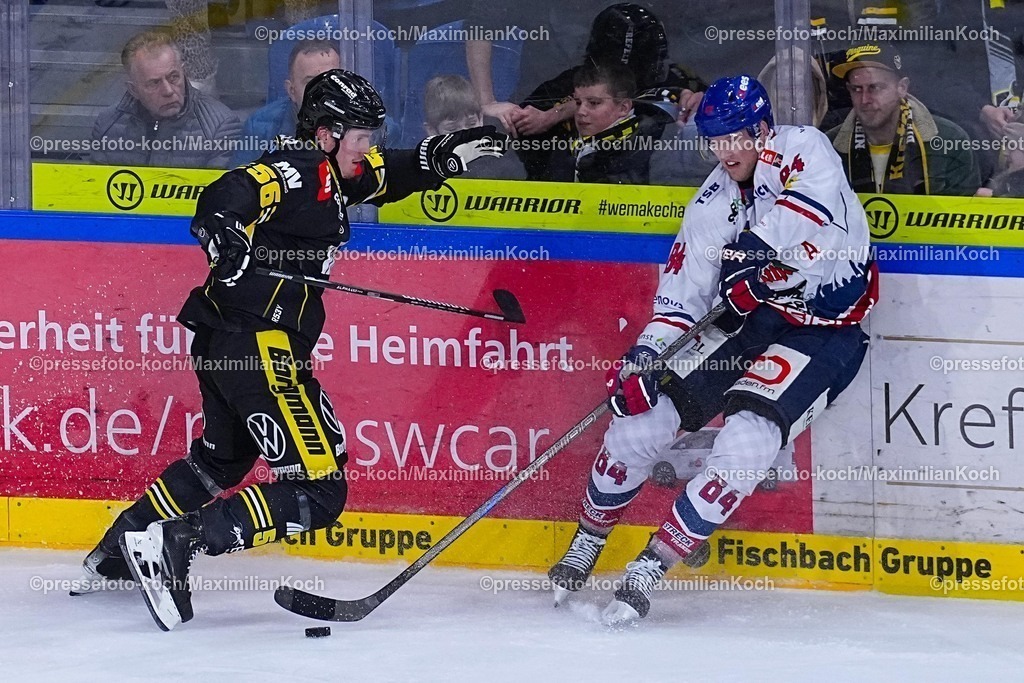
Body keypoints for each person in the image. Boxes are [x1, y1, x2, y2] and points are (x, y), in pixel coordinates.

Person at [75, 69, 506, 631]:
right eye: (360, 137)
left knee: (222, 458)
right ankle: (175, 540)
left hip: (227, 339)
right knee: (320, 490)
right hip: (261, 343)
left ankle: (118, 549)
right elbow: (230, 192)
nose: (368, 148)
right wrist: (224, 231)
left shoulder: (332, 174)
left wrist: (439, 158)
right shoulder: (299, 169)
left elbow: (387, 173)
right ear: (326, 133)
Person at [547, 75, 877, 624]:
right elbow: (681, 295)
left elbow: (812, 215)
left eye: (735, 137)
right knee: (640, 423)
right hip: (750, 322)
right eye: (714, 139)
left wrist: (751, 253)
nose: (725, 152)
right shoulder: (711, 203)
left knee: (748, 439)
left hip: (824, 328)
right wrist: (646, 355)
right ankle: (587, 542)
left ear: (762, 128)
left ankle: (651, 565)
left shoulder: (804, 148)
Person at [825, 43, 980, 195]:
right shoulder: (827, 147)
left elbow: (965, 214)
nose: (865, 99)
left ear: (902, 88)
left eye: (875, 88)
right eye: (856, 89)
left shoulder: (949, 141)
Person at [90, 29, 242, 169]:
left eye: (173, 77)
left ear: (184, 71)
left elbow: (219, 195)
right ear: (134, 90)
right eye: (154, 83)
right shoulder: (108, 125)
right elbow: (96, 193)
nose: (168, 91)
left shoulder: (219, 127)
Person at [544, 63, 669, 184]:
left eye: (593, 103)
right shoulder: (565, 148)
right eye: (578, 103)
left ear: (623, 108)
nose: (581, 112)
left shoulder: (650, 148)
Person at [231, 40, 341, 166]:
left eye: (332, 81)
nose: (322, 92)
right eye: (311, 83)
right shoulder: (260, 127)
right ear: (291, 91)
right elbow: (240, 183)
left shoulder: (362, 122)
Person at [423, 75, 526, 180]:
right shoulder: (424, 171)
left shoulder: (503, 163)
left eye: (471, 124)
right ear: (432, 131)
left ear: (481, 119)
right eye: (452, 129)